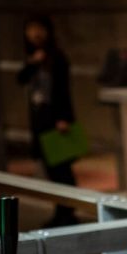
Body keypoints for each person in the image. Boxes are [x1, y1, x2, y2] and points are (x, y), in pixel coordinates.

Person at [16, 14, 78, 226]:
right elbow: (21, 78)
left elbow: (63, 91)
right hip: (40, 121)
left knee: (62, 170)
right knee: (52, 169)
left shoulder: (57, 58)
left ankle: (67, 211)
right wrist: (33, 63)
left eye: (38, 28)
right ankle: (61, 210)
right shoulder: (32, 58)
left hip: (55, 121)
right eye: (31, 28)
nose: (35, 33)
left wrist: (64, 118)